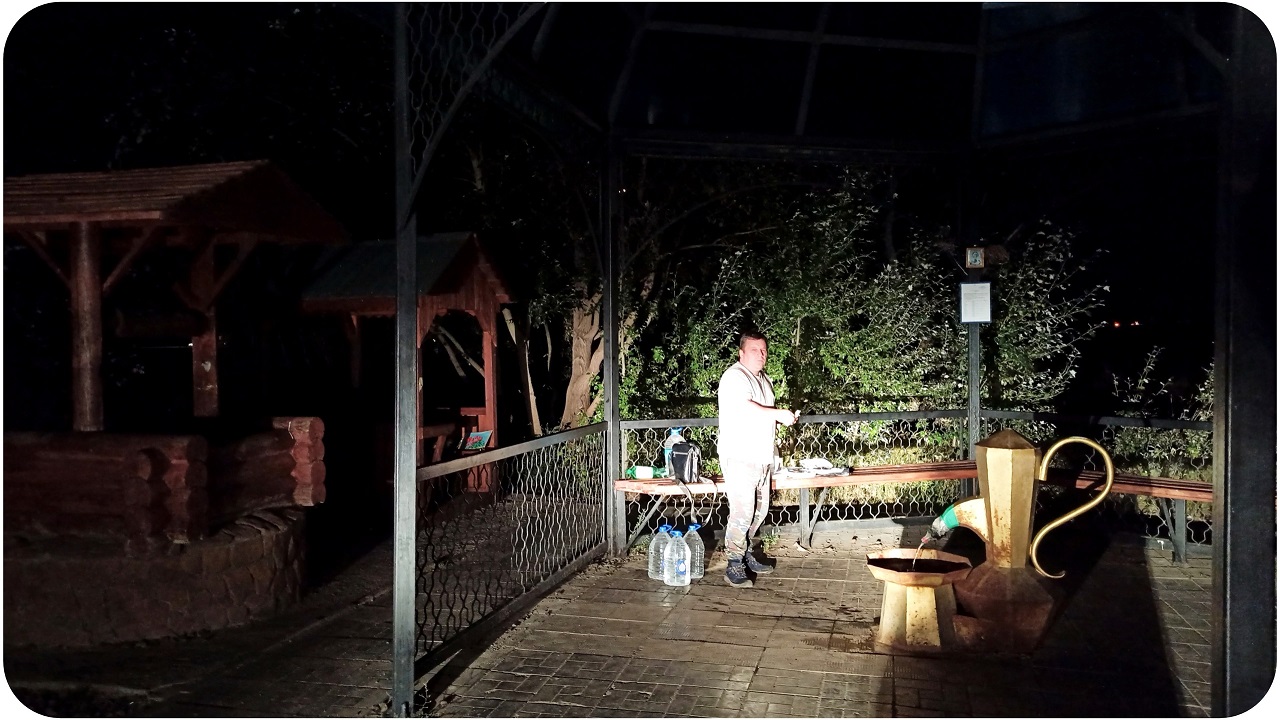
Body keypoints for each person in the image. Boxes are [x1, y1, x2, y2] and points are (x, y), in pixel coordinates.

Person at [716, 330, 798, 588]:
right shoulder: (734, 377)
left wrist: (780, 419)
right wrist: (778, 413)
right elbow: (744, 407)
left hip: (762, 457)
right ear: (741, 353)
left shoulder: (764, 379)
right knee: (742, 511)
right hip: (740, 456)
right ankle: (733, 563)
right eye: (754, 350)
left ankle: (745, 552)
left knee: (760, 510)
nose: (761, 354)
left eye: (763, 350)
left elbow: (764, 413)